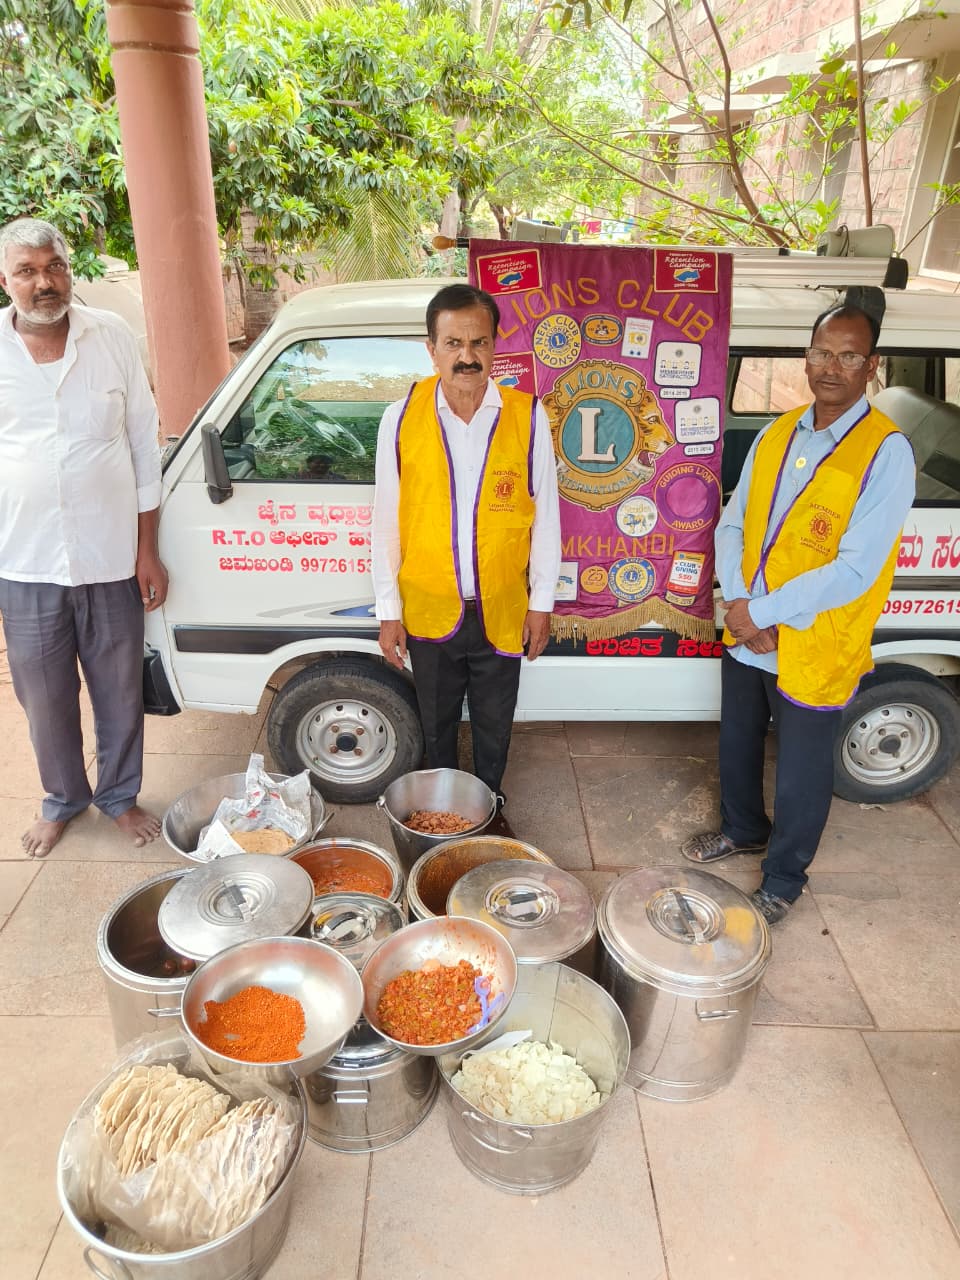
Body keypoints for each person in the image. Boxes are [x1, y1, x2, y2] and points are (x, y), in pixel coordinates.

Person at [681, 303, 915, 923]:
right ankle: (742, 828)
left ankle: (784, 878)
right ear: (805, 357)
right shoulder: (777, 432)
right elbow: (733, 521)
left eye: (847, 355)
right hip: (749, 624)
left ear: (873, 366)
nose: (830, 367)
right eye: (820, 352)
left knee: (803, 771)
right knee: (737, 739)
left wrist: (763, 612)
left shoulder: (886, 452)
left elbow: (855, 569)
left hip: (814, 637)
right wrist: (738, 603)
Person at [0, 218, 167, 857]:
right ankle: (62, 799)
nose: (44, 283)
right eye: (27, 271)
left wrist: (145, 549)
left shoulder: (112, 336)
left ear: (68, 268)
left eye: (53, 267)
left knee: (119, 688)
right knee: (43, 698)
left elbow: (143, 444)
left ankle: (119, 797)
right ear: (7, 280)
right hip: (25, 561)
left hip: (111, 557)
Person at [372, 283, 561, 832]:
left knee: (494, 723)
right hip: (429, 606)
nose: (467, 356)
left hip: (502, 606)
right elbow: (386, 519)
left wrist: (541, 602)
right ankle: (443, 816)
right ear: (430, 348)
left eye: (479, 342)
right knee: (435, 723)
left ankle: (490, 811)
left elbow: (546, 516)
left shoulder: (528, 417)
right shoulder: (400, 418)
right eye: (452, 343)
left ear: (496, 345)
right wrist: (388, 608)